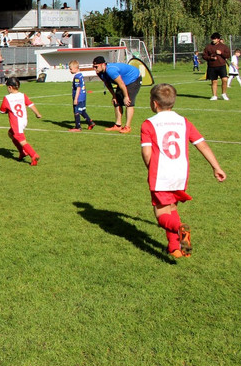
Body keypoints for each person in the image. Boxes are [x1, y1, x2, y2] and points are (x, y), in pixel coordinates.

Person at [140, 83, 226, 258]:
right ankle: (175, 247)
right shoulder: (184, 121)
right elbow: (201, 144)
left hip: (161, 174)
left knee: (161, 212)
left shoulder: (149, 124)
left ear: (154, 103)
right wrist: (216, 167)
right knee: (171, 208)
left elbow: (147, 152)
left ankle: (179, 229)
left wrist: (151, 169)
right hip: (180, 173)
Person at [92, 56, 142, 133]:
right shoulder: (100, 73)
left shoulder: (110, 70)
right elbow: (108, 84)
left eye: (96, 67)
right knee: (117, 102)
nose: (94, 69)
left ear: (103, 64)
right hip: (124, 82)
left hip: (133, 79)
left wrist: (125, 96)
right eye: (93, 67)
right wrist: (114, 96)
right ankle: (118, 125)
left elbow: (121, 84)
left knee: (128, 103)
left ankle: (127, 127)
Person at [0, 77, 43, 165]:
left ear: (10, 87)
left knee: (22, 140)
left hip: (16, 122)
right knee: (11, 133)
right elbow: (31, 104)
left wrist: (7, 111)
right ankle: (22, 152)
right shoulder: (23, 95)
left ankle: (33, 155)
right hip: (23, 120)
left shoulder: (7, 98)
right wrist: (37, 114)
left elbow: (2, 111)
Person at [201, 33, 231, 101]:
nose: (213, 40)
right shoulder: (208, 47)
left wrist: (221, 53)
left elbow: (228, 55)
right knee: (214, 81)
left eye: (214, 39)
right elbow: (204, 56)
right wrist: (210, 58)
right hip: (212, 66)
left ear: (218, 39)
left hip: (222, 66)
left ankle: (224, 94)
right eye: (212, 39)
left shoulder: (223, 46)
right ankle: (214, 95)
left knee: (225, 80)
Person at [68, 61, 95, 132]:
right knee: (82, 110)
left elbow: (78, 88)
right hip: (83, 96)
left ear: (76, 68)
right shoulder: (80, 75)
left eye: (71, 69)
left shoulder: (77, 77)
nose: (70, 70)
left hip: (78, 97)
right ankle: (90, 122)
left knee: (76, 111)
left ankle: (78, 127)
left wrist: (75, 99)